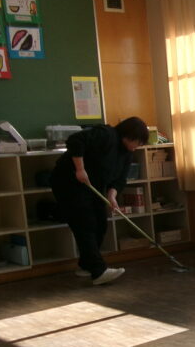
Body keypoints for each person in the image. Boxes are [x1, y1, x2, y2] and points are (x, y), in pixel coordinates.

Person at [51, 116, 149, 285]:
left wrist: (111, 196)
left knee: (101, 224)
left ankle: (86, 265)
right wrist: (80, 169)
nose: (138, 146)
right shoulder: (106, 134)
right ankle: (98, 271)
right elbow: (75, 140)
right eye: (138, 142)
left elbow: (119, 180)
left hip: (93, 186)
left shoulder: (126, 154)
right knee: (85, 223)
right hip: (69, 183)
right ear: (129, 135)